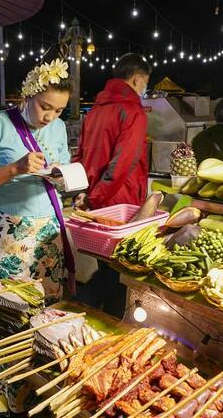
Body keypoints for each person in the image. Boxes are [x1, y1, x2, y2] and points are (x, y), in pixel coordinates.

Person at [0, 58, 73, 417]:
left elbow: (65, 166)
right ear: (27, 94)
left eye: (58, 111)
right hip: (10, 236)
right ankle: (7, 400)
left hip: (49, 236)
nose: (49, 117)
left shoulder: (58, 129)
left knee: (48, 318)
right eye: (45, 107)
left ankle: (42, 390)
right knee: (10, 318)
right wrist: (15, 168)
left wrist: (64, 178)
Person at [72, 53, 151, 318]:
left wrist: (84, 193)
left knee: (106, 264)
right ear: (137, 79)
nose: (144, 89)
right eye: (144, 84)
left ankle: (101, 320)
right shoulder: (133, 111)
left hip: (96, 199)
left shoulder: (94, 111)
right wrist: (95, 197)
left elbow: (79, 156)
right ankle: (84, 306)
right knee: (119, 271)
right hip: (121, 203)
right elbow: (123, 163)